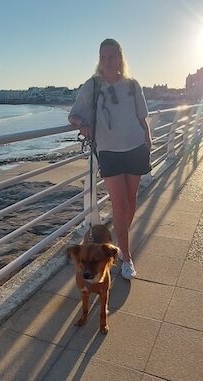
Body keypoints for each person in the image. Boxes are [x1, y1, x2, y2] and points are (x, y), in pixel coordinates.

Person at [68, 38, 151, 280]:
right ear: (99, 59)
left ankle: (120, 237)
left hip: (136, 147)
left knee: (130, 202)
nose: (107, 61)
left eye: (112, 56)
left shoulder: (132, 85)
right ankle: (126, 258)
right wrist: (83, 125)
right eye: (103, 57)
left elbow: (142, 118)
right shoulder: (92, 86)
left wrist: (148, 142)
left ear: (120, 58)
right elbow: (73, 115)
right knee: (119, 204)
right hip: (108, 152)